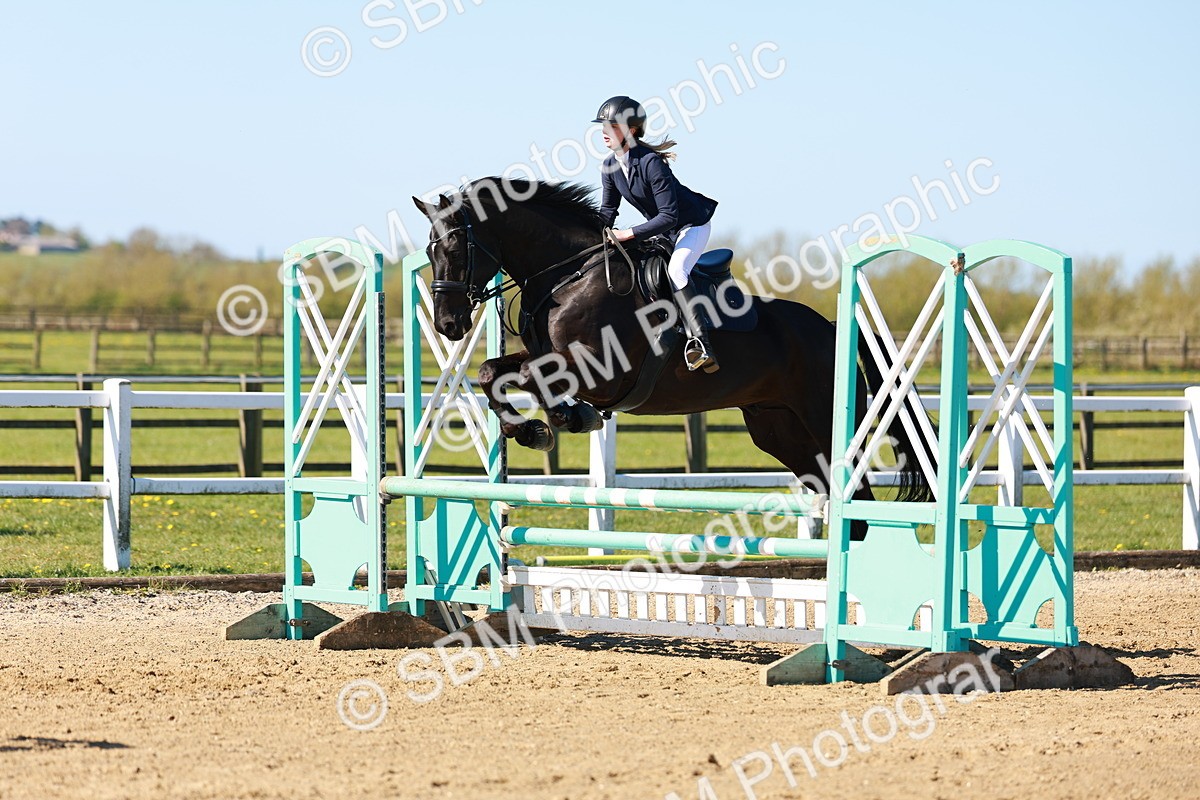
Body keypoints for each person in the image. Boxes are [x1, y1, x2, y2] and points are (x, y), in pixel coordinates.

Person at [593, 95, 720, 373]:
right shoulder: (609, 166)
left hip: (691, 225)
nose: (604, 132)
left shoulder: (651, 162)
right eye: (603, 126)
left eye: (611, 126)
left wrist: (629, 233)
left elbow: (669, 216)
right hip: (662, 230)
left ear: (631, 130)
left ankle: (701, 343)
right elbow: (607, 211)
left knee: (677, 271)